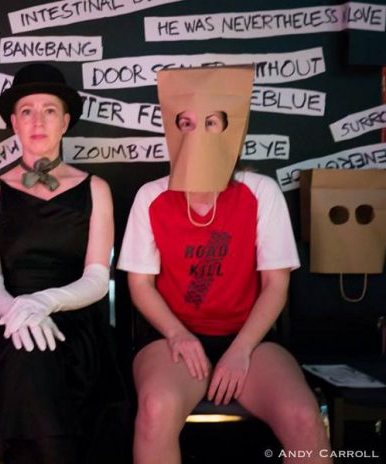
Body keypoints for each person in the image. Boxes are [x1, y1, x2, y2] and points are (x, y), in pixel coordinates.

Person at [117, 65, 332, 464]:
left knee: (304, 418)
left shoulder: (260, 192)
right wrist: (178, 335)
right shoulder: (151, 197)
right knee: (155, 410)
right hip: (172, 340)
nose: (198, 132)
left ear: (231, 128)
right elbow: (140, 285)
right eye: (186, 122)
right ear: (172, 128)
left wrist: (242, 349)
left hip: (250, 337)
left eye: (212, 122)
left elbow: (275, 285)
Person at [0, 63, 128, 464]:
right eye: (27, 110)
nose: (38, 120)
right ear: (13, 122)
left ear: (66, 122)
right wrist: (19, 312)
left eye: (49, 110)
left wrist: (46, 304)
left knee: (40, 361)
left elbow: (97, 277)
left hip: (75, 321)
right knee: (28, 356)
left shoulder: (97, 189)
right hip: (3, 322)